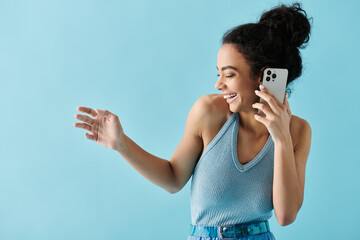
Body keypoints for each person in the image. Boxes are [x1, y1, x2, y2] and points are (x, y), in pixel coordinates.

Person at [73, 2, 312, 239]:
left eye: (229, 74)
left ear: (264, 76)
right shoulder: (209, 112)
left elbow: (286, 215)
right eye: (218, 74)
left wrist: (280, 137)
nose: (219, 84)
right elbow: (174, 178)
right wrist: (121, 144)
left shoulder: (298, 132)